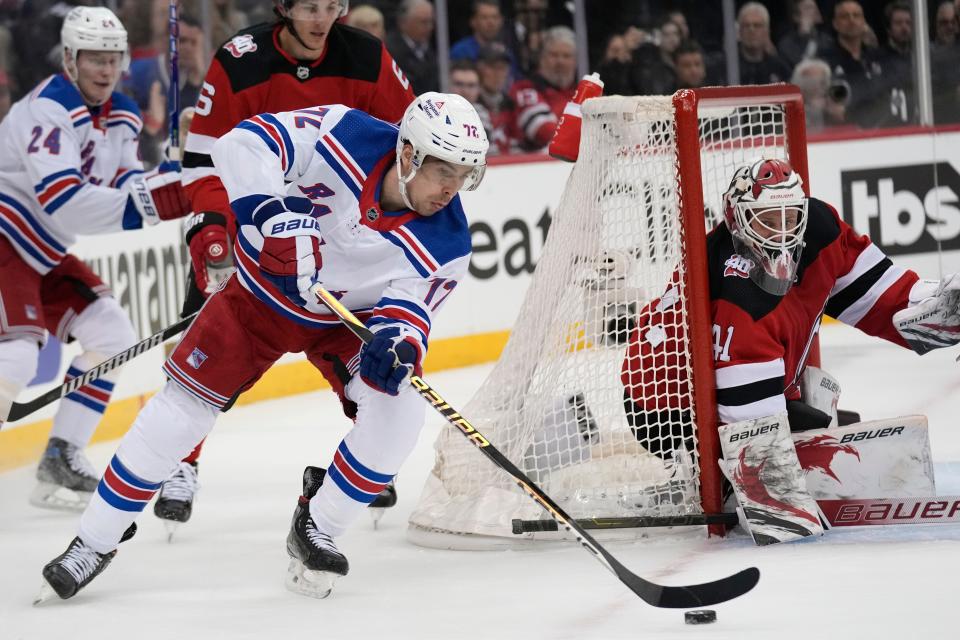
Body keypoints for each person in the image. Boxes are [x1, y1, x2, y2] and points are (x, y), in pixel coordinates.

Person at [37, 92, 490, 603]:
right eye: (442, 171)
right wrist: (270, 212)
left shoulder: (449, 241)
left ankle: (317, 525)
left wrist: (399, 343)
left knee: (400, 410)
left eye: (465, 175)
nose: (452, 190)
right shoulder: (346, 132)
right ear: (407, 154)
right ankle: (94, 541)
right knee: (178, 413)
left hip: (344, 324)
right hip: (257, 300)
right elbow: (243, 144)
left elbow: (411, 309)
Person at [165, 0, 416, 532]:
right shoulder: (240, 60)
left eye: (331, 6)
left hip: (341, 230)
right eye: (308, 7)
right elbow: (204, 162)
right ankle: (179, 462)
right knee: (207, 334)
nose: (321, 19)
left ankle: (367, 452)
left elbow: (407, 147)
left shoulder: (367, 56)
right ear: (283, 6)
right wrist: (213, 226)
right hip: (256, 221)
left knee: (359, 339)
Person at [621, 157, 960, 479]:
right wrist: (769, 470)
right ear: (738, 221)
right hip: (663, 407)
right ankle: (697, 467)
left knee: (816, 401)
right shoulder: (741, 293)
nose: (781, 232)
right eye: (767, 221)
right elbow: (751, 436)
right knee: (768, 443)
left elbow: (876, 294)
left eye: (789, 218)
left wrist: (933, 302)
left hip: (721, 379)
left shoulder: (819, 228)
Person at [0, 8, 189, 511]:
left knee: (113, 337)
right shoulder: (48, 108)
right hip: (5, 235)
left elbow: (126, 182)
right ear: (69, 58)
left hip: (42, 249)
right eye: (93, 59)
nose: (105, 70)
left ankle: (62, 455)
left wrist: (166, 178)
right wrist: (152, 202)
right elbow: (64, 199)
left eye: (112, 58)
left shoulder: (124, 112)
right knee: (17, 353)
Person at [385, 0, 439, 94]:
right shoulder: (389, 50)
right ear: (403, 23)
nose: (430, 27)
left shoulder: (432, 49)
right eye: (423, 22)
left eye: (431, 22)